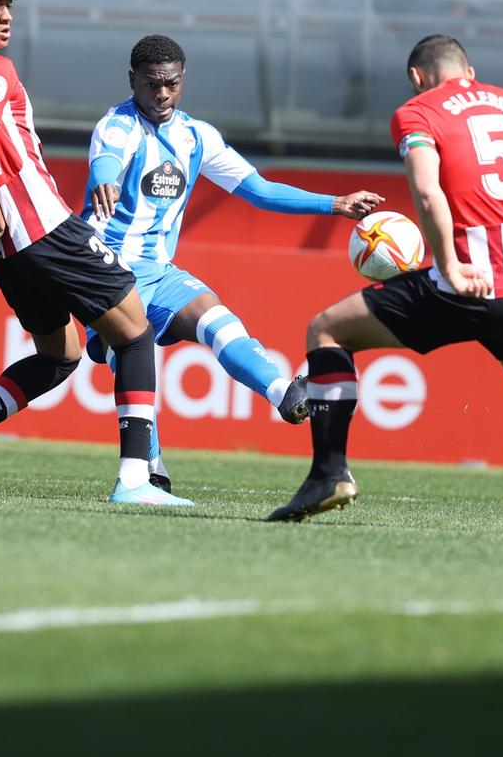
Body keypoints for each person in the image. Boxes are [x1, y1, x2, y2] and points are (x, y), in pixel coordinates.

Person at [263, 33, 503, 536]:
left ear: (417, 77)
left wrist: (450, 264)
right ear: (469, 71)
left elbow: (427, 193)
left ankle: (328, 475)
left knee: (326, 330)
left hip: (466, 282)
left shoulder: (419, 112)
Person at [0, 0, 183, 506]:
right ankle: (135, 478)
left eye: (9, 5)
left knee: (60, 354)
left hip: (8, 254)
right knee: (133, 332)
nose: (7, 16)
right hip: (41, 229)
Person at [72, 35, 380, 489]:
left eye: (171, 84)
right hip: (108, 269)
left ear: (183, 80)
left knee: (217, 319)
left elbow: (259, 190)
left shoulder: (196, 136)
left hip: (159, 271)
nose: (162, 94)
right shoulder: (118, 125)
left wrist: (335, 204)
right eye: (152, 84)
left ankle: (285, 394)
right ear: (132, 80)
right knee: (129, 356)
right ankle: (150, 467)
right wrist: (103, 180)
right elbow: (106, 161)